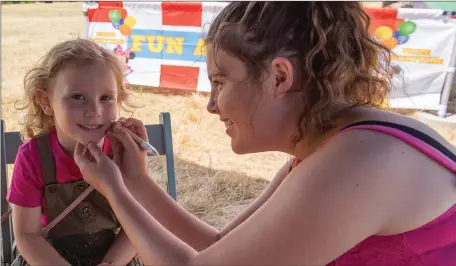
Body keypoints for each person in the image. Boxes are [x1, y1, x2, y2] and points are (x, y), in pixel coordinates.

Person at [74, 2, 456, 265]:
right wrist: (137, 181)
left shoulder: (361, 161)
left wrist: (115, 191)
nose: (211, 105)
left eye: (220, 82)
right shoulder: (330, 148)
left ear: (279, 76)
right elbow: (220, 248)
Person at [7, 39, 142, 266]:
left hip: (114, 256)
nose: (94, 111)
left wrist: (112, 262)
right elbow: (27, 236)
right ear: (46, 102)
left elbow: (138, 225)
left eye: (106, 98)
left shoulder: (123, 150)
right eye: (78, 97)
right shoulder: (33, 158)